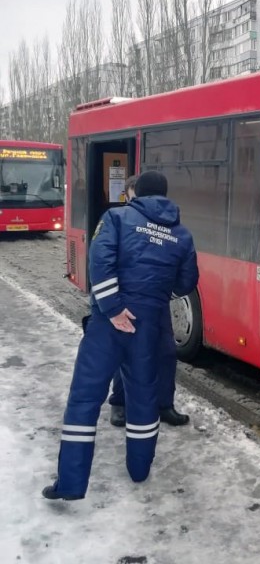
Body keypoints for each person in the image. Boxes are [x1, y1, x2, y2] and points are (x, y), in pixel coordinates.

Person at [43, 171, 199, 501]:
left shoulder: (116, 217)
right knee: (143, 398)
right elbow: (186, 284)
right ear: (165, 195)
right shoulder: (182, 235)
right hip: (150, 327)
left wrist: (113, 308)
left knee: (85, 398)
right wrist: (154, 294)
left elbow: (99, 260)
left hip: (109, 325)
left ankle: (70, 485)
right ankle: (139, 471)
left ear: (136, 193)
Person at [108, 175, 190, 428]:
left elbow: (181, 268)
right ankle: (120, 404)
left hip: (157, 304)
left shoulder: (168, 224)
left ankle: (164, 405)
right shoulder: (119, 220)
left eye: (134, 194)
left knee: (165, 355)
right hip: (126, 301)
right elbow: (103, 261)